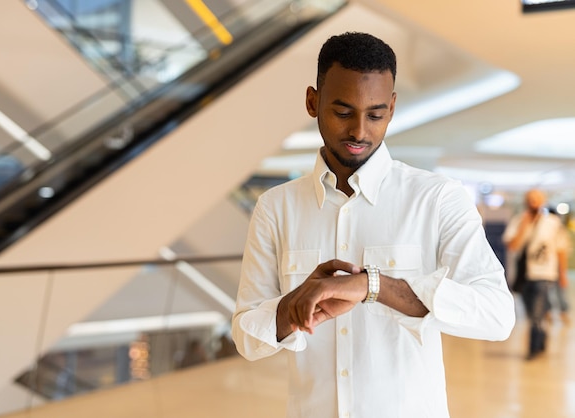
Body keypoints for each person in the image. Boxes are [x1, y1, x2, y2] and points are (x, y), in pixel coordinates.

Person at [231, 32, 515, 418]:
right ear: (313, 102)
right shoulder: (275, 208)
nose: (360, 132)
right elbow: (247, 336)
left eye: (376, 114)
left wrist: (372, 285)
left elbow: (497, 316)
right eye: (343, 112)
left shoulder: (438, 198)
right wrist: (289, 310)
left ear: (393, 108)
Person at [502, 189, 571, 359]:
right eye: (530, 199)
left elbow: (561, 249)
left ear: (543, 202)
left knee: (537, 309)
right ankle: (541, 336)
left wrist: (562, 274)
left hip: (545, 272)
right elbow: (512, 245)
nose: (533, 203)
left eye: (536, 199)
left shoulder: (553, 222)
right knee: (532, 311)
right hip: (525, 273)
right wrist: (524, 226)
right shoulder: (519, 221)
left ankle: (534, 346)